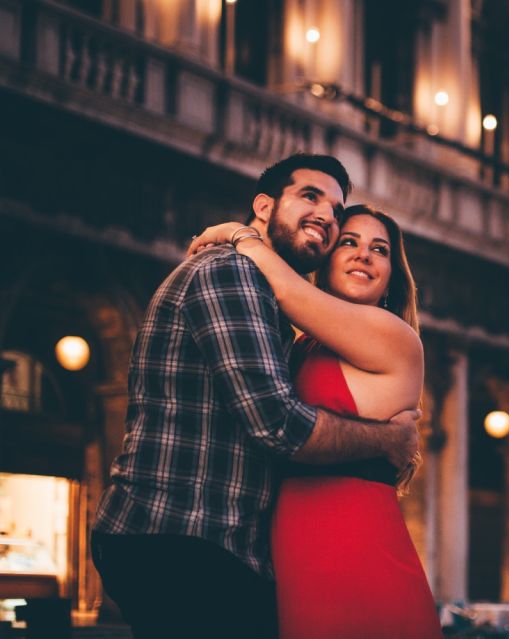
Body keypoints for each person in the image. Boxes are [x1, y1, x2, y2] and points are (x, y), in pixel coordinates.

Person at [91, 155, 421, 639]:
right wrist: (388, 439)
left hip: (272, 540)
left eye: (336, 212)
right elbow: (277, 424)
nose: (327, 219)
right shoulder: (237, 275)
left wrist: (242, 234)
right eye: (311, 197)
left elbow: (290, 297)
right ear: (264, 205)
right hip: (187, 534)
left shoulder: (341, 319)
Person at [188, 204, 441, 638]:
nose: (364, 254)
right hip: (293, 544)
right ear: (325, 263)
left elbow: (289, 293)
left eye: (379, 250)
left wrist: (239, 233)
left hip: (354, 544)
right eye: (349, 242)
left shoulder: (393, 334)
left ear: (391, 278)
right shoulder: (303, 344)